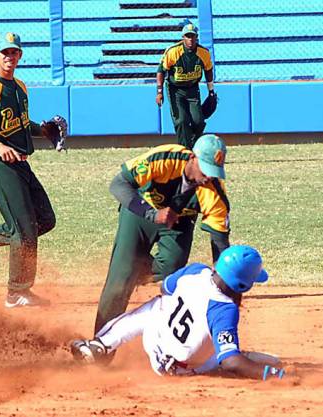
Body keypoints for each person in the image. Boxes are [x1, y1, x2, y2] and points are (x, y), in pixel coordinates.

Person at [70, 245, 285, 381]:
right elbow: (231, 362)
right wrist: (271, 375)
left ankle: (101, 345)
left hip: (155, 342)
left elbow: (165, 288)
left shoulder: (196, 270)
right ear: (243, 285)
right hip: (179, 370)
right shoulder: (224, 310)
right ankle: (243, 356)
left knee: (159, 304)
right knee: (231, 354)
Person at [93, 134, 230, 336]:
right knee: (118, 282)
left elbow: (220, 245)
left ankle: (133, 269)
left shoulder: (213, 192)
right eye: (205, 168)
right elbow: (119, 184)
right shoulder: (165, 158)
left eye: (214, 171)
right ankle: (100, 342)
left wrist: (225, 284)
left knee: (171, 269)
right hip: (140, 212)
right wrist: (152, 214)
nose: (208, 176)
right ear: (193, 157)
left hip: (179, 223)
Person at [0, 32, 64, 308]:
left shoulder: (20, 87)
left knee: (45, 219)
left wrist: (42, 130)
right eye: (5, 52)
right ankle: (16, 292)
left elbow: (20, 125)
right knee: (23, 230)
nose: (10, 57)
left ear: (20, 55)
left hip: (21, 164)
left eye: (14, 52)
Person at [156, 22, 215, 150]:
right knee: (181, 120)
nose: (190, 39)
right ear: (183, 37)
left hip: (193, 88)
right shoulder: (173, 52)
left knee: (198, 121)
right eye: (187, 36)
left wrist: (211, 92)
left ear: (196, 37)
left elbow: (208, 70)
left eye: (193, 36)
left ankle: (193, 144)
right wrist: (159, 92)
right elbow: (161, 71)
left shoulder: (203, 53)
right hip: (175, 89)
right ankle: (185, 150)